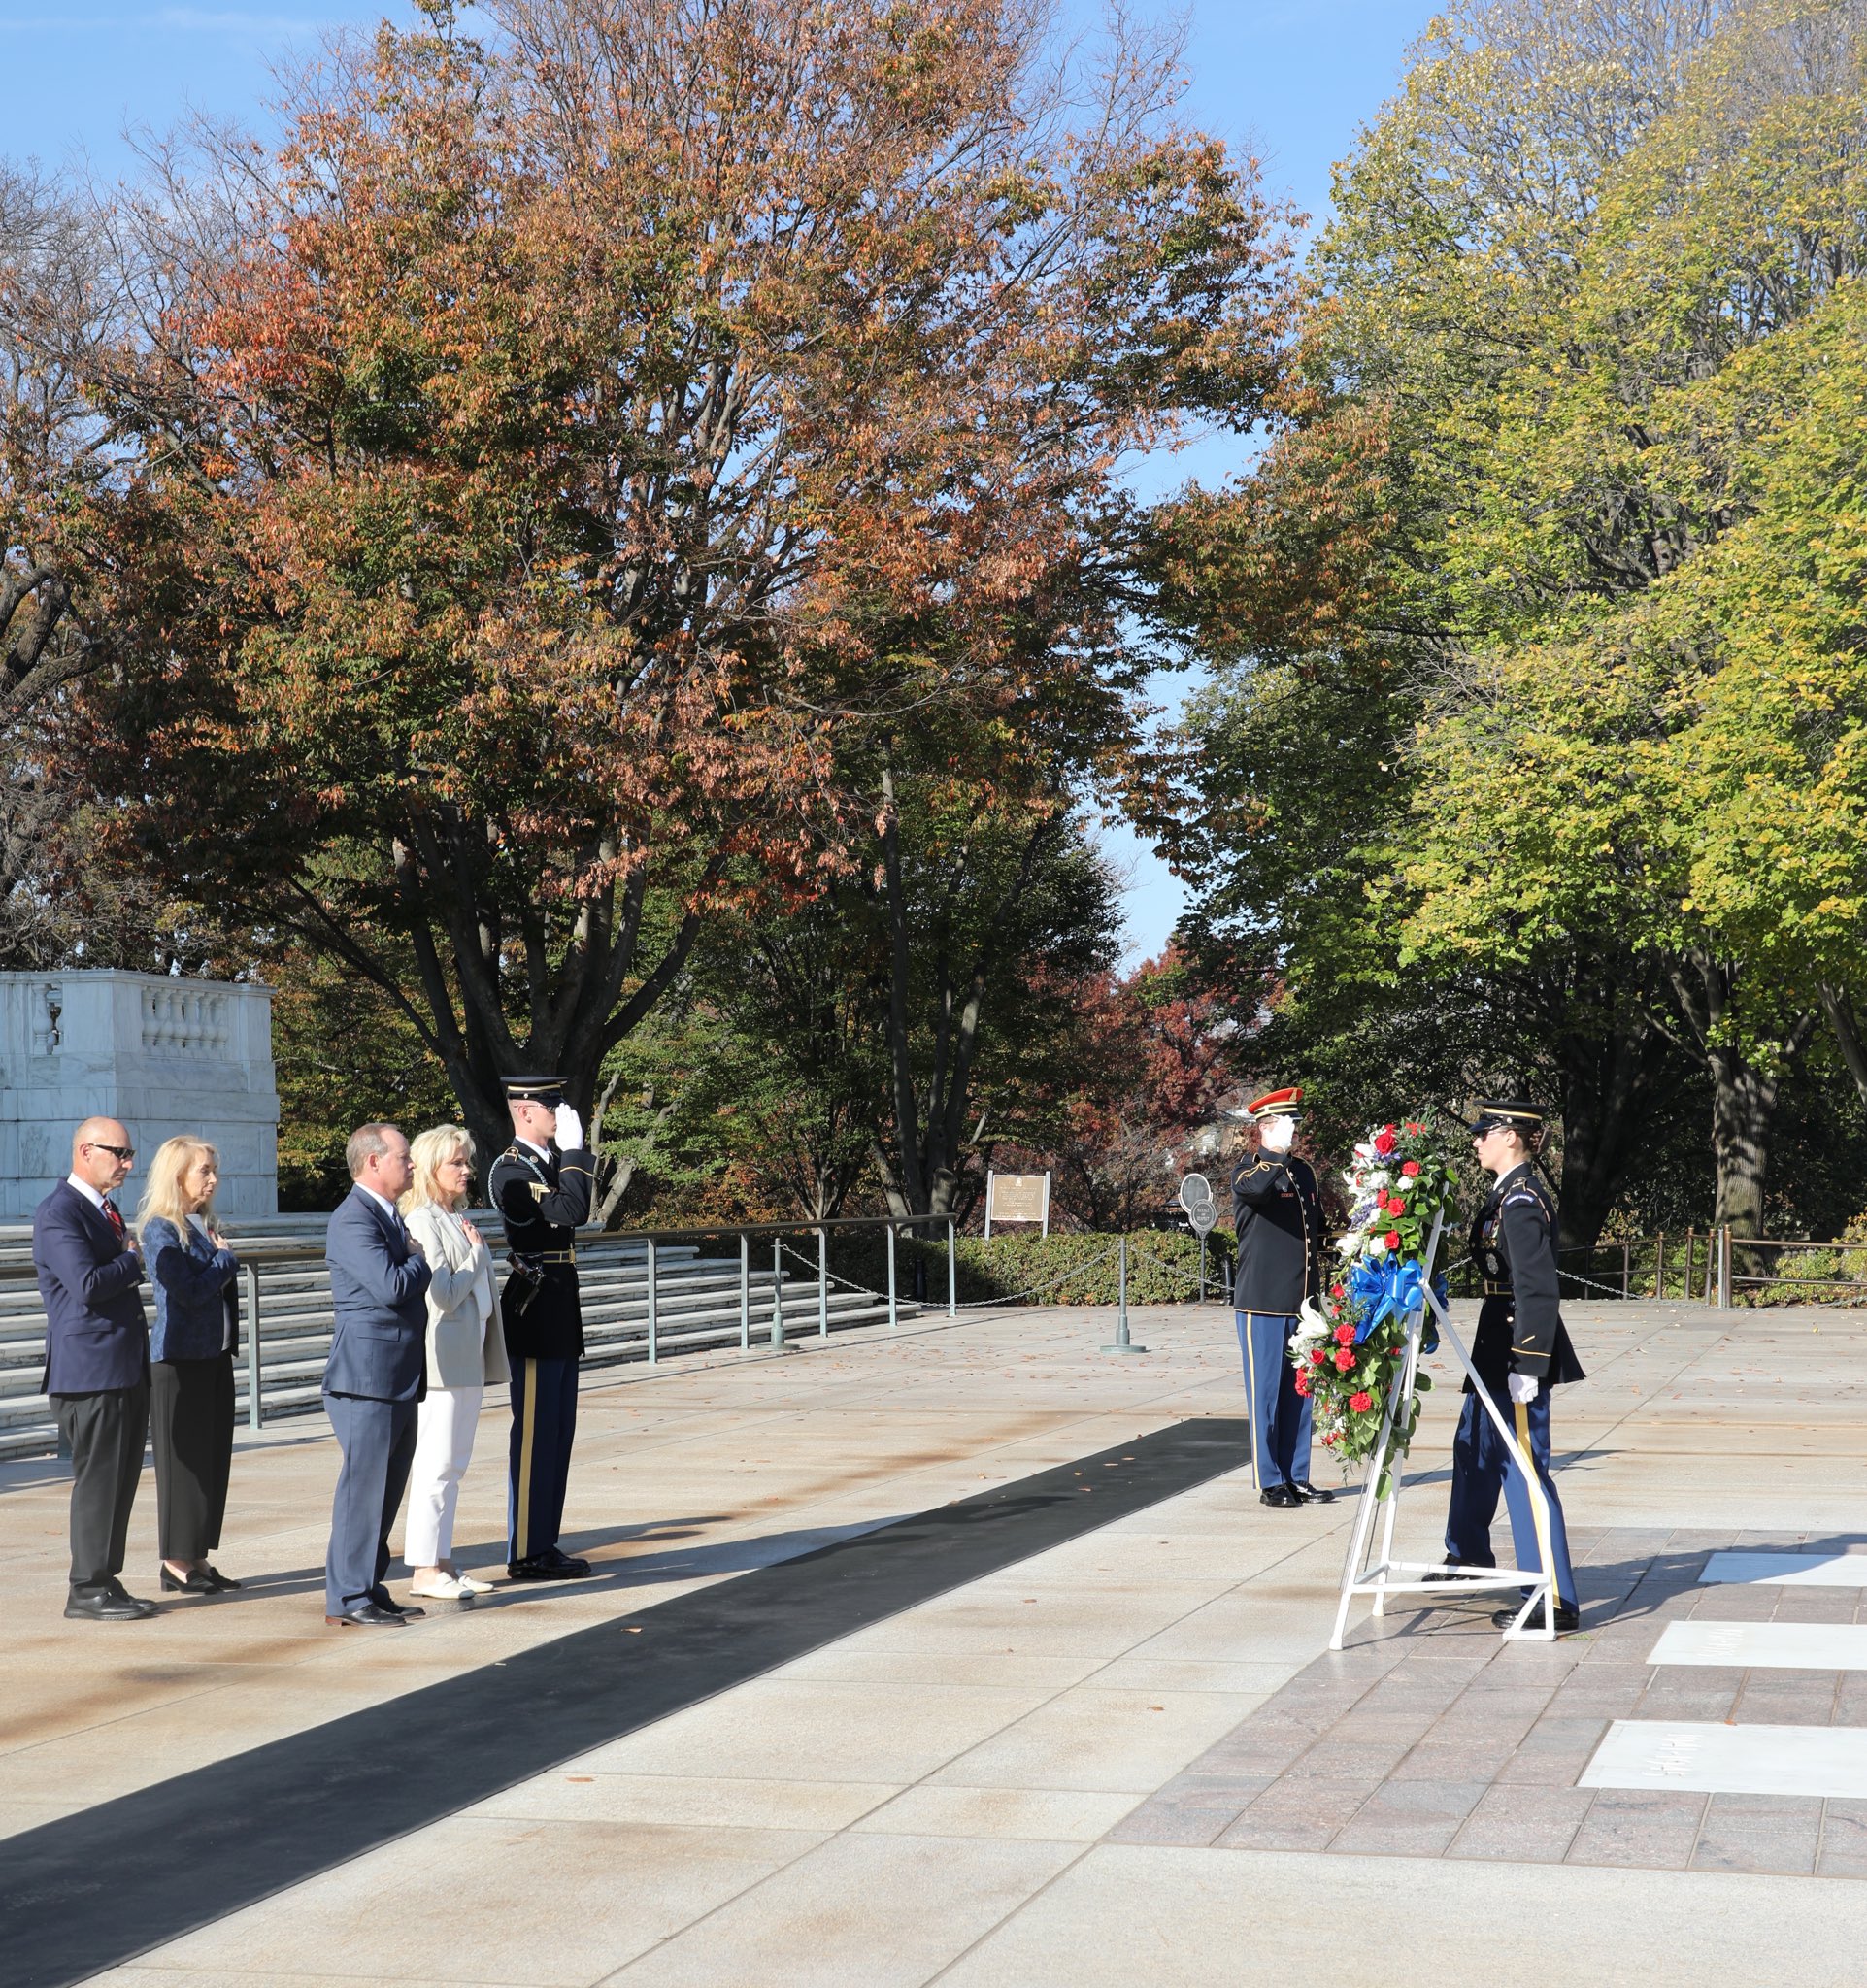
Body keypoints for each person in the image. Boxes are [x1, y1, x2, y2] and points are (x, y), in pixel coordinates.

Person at [1436, 1099, 1583, 1633]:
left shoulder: (1521, 1202)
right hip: (1495, 1339)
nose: (1476, 1140)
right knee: (1473, 1446)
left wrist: (1529, 1362)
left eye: (1484, 1132)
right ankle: (1470, 1554)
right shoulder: (1507, 1194)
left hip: (1517, 1343)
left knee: (1524, 1468)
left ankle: (1554, 1599)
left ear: (1512, 1137)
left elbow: (1538, 1289)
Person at [35, 1117, 156, 1621]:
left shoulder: (102, 1209)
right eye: (119, 1153)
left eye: (130, 1155)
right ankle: (85, 1588)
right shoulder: (59, 1211)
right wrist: (133, 1259)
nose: (128, 1164)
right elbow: (86, 1283)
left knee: (121, 1480)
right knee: (99, 1481)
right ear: (86, 1151)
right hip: (88, 1372)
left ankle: (105, 1578)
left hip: (120, 1365)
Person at [321, 1122, 432, 1628]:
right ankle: (347, 1597)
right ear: (373, 1162)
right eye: (403, 1156)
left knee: (386, 1489)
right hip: (366, 1376)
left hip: (396, 1373)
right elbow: (389, 1286)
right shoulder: (353, 1219)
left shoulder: (385, 1215)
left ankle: (368, 1584)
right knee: (363, 1489)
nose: (410, 1164)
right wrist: (420, 1262)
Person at [489, 1076, 596, 1581]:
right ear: (526, 1111)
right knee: (534, 1435)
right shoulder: (513, 1170)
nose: (562, 1114)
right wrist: (576, 1154)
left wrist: (569, 1157)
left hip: (556, 1302)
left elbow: (574, 1214)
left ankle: (545, 1542)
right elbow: (571, 1209)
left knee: (558, 1432)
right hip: (533, 1307)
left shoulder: (546, 1165)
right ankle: (527, 1551)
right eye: (553, 1106)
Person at [401, 1124, 509, 1602]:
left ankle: (443, 1561)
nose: (467, 1169)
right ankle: (424, 1569)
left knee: (456, 1465)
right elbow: (442, 1295)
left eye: (467, 1161)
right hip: (443, 1358)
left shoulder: (453, 1217)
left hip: (468, 1355)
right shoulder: (423, 1219)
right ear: (431, 1168)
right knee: (436, 1465)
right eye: (456, 1163)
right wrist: (477, 1258)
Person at [139, 1138, 243, 1595]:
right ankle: (176, 1562)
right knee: (183, 1466)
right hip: (178, 1361)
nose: (212, 1178)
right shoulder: (161, 1229)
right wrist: (225, 1259)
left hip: (214, 1357)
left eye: (213, 1169)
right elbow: (189, 1291)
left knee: (211, 1460)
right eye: (203, 1170)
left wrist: (219, 1256)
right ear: (175, 1175)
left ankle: (197, 1556)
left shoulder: (202, 1224)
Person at [1230, 1086, 1334, 1509]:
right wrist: (1272, 1151)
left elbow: (1319, 1228)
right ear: (1267, 1127)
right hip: (1262, 1302)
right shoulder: (1249, 1170)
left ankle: (1297, 1476)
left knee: (1301, 1394)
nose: (1295, 1131)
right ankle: (1269, 1480)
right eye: (1288, 1123)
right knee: (1267, 1395)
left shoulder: (1303, 1171)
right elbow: (1255, 1192)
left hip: (1301, 1303)